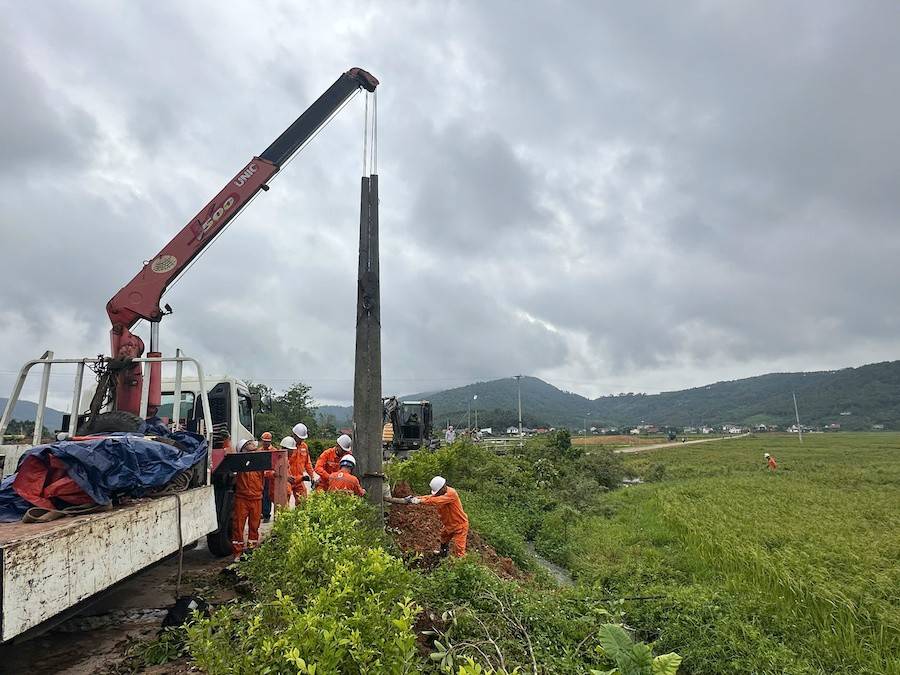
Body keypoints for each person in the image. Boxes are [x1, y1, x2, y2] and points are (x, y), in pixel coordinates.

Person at [406, 476, 469, 557]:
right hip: (449, 525)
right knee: (444, 537)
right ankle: (443, 553)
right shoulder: (440, 493)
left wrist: (420, 501)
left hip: (460, 525)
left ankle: (461, 565)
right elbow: (430, 497)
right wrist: (415, 498)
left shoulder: (451, 494)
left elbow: (436, 501)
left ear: (443, 488)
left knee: (459, 548)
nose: (436, 494)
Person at [231, 438, 271, 561]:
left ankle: (251, 550)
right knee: (238, 527)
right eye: (248, 444)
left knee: (254, 526)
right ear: (242, 450)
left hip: (256, 498)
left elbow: (266, 473)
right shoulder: (239, 463)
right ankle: (237, 553)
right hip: (242, 499)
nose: (252, 445)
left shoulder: (259, 462)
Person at [291, 423, 317, 495]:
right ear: (294, 435)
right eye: (300, 438)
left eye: (302, 438)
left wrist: (312, 477)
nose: (301, 440)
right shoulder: (288, 445)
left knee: (303, 500)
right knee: (283, 502)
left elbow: (307, 463)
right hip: (289, 479)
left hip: (299, 479)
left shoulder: (304, 446)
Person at [259, 432, 275, 522]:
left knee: (267, 496)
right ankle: (262, 513)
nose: (265, 443)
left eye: (267, 441)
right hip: (261, 477)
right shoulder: (259, 451)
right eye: (264, 441)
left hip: (269, 478)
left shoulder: (274, 451)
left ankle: (266, 515)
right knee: (260, 495)